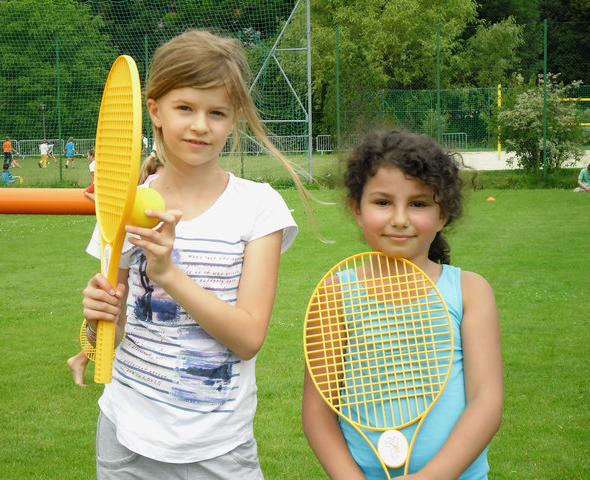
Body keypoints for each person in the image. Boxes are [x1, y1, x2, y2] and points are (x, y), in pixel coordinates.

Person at [80, 29, 321, 478]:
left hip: (218, 449)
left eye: (217, 113)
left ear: (234, 120)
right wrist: (99, 321)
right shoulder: (121, 203)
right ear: (154, 110)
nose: (199, 125)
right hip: (125, 437)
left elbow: (248, 338)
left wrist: (168, 273)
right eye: (185, 108)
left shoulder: (258, 206)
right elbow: (108, 338)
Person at [302, 130, 504, 480]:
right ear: (356, 209)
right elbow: (318, 414)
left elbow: (485, 403)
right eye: (382, 202)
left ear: (443, 215)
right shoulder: (333, 295)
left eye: (419, 203)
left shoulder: (471, 292)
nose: (399, 218)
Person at [67, 154, 167, 387]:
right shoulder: (130, 205)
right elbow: (113, 323)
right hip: (130, 385)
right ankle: (80, 360)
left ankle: (79, 360)